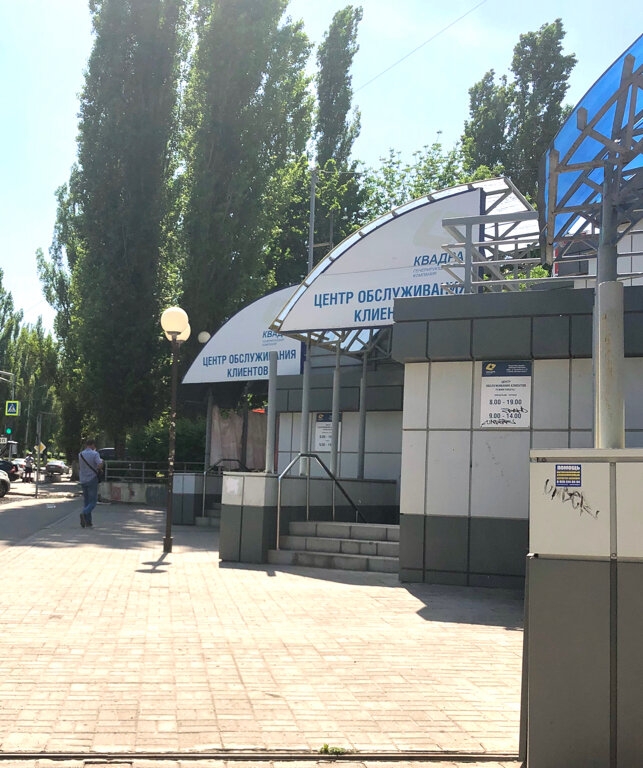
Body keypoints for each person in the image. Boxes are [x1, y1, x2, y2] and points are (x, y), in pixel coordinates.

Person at [78, 439, 103, 528]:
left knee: (86, 501)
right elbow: (99, 465)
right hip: (92, 479)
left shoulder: (80, 454)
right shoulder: (95, 454)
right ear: (92, 445)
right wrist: (101, 462)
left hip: (83, 479)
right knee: (93, 502)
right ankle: (84, 513)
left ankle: (88, 522)